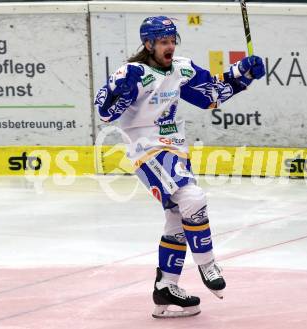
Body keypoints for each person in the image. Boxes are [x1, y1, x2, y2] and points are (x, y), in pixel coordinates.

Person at [94, 16, 265, 318]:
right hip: (146, 150)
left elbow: (210, 95)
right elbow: (105, 112)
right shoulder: (134, 71)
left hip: (175, 151)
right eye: (163, 42)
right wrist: (118, 94)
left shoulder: (181, 68)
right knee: (193, 198)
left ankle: (165, 288)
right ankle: (208, 264)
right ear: (148, 44)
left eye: (172, 40)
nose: (169, 46)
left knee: (178, 218)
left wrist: (243, 74)